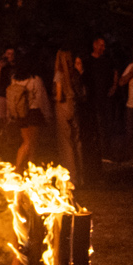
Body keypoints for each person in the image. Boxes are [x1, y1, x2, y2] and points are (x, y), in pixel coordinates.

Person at [6, 54, 49, 171]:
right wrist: (47, 115)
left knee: (26, 141)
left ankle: (26, 168)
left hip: (21, 114)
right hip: (33, 113)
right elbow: (40, 99)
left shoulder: (14, 79)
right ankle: (21, 167)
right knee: (31, 143)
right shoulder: (35, 79)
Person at [83, 37, 119, 162]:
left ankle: (106, 153)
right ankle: (97, 152)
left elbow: (115, 71)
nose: (103, 48)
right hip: (94, 98)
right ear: (94, 45)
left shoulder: (107, 60)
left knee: (106, 126)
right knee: (97, 126)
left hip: (106, 97)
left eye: (104, 45)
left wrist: (114, 86)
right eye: (101, 45)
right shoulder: (88, 61)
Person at [53, 49, 86, 183]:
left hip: (63, 106)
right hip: (74, 106)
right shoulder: (74, 74)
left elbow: (59, 96)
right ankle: (81, 176)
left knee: (66, 141)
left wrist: (54, 97)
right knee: (77, 140)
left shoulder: (59, 74)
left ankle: (70, 176)